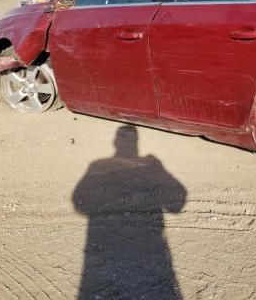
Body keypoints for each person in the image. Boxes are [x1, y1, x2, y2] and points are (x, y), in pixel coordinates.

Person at [73, 125, 187, 299]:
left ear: (114, 142)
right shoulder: (151, 163)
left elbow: (79, 203)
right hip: (150, 251)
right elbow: (177, 203)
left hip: (104, 249)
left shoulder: (98, 165)